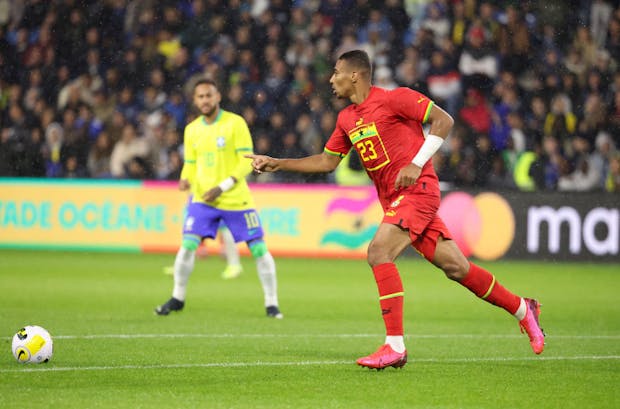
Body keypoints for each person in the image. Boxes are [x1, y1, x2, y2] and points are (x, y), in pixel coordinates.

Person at [246, 50, 544, 369]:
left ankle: (395, 346)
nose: (331, 79)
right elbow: (327, 161)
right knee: (457, 268)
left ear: (355, 75)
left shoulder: (396, 98)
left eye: (336, 72)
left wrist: (417, 164)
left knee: (378, 252)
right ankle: (524, 310)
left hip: (419, 190)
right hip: (395, 200)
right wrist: (279, 163)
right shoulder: (347, 118)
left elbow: (444, 121)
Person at [155, 78, 283, 319]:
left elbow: (248, 163)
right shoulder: (192, 130)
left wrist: (222, 187)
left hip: (236, 200)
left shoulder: (235, 123)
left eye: (208, 95)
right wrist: (185, 178)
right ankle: (177, 297)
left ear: (218, 97)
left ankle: (271, 303)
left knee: (259, 249)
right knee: (187, 247)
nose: (205, 100)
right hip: (203, 200)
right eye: (200, 97)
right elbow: (191, 163)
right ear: (195, 101)